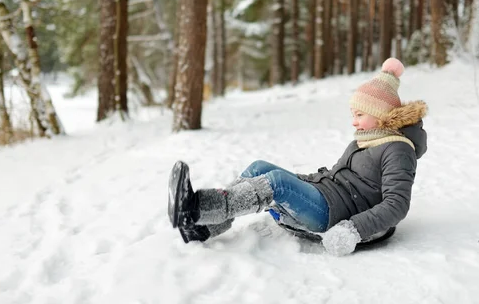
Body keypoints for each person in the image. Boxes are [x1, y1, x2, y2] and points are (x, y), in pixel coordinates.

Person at [167, 58, 428, 256]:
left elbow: (396, 205)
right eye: (353, 114)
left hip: (335, 215)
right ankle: (203, 228)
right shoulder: (364, 140)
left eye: (359, 114)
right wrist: (299, 181)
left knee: (276, 183)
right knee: (261, 168)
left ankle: (197, 207)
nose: (354, 122)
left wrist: (352, 229)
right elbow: (333, 177)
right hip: (327, 197)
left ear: (381, 113)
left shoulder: (398, 150)